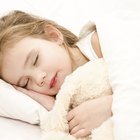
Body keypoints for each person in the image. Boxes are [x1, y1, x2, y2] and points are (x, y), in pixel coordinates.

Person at [0, 10, 112, 138]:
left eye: (35, 60)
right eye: (26, 83)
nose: (38, 78)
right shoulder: (66, 101)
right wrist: (55, 108)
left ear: (53, 36)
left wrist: (110, 107)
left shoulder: (100, 43)